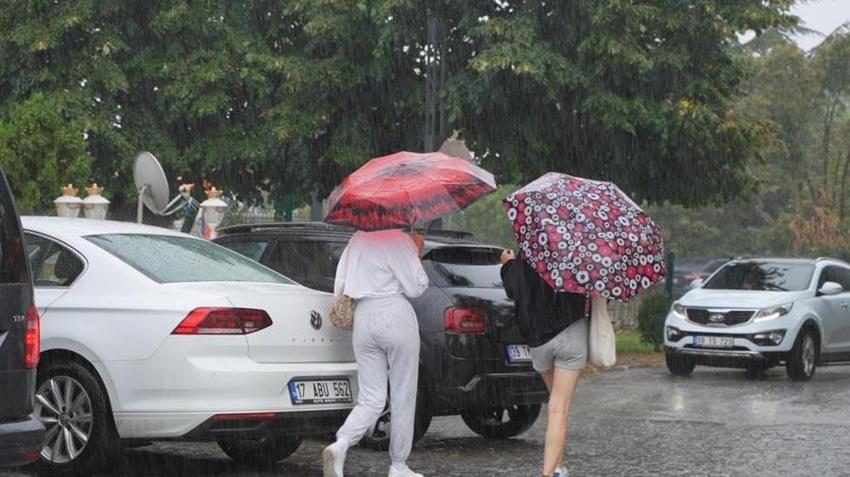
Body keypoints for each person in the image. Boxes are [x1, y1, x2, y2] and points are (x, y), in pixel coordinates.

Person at [323, 229, 429, 477]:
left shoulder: (357, 239)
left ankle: (341, 444)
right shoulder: (399, 240)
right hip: (395, 314)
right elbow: (417, 287)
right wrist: (416, 254)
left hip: (364, 317)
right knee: (403, 393)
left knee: (371, 397)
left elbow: (340, 286)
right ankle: (398, 465)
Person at [500, 249, 588, 477]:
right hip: (570, 334)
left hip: (539, 339)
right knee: (559, 408)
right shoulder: (580, 250)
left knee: (557, 405)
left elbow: (513, 289)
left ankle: (559, 468)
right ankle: (547, 473)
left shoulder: (530, 249)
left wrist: (508, 264)